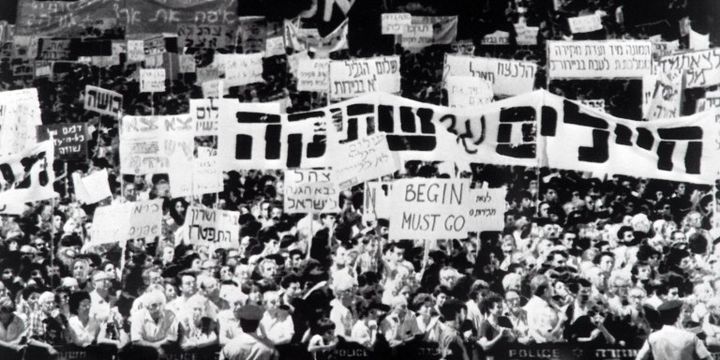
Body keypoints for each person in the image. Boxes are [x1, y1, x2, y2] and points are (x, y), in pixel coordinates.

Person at [635, 300, 712, 360]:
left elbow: (640, 358)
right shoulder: (691, 337)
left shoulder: (652, 338)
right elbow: (707, 358)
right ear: (679, 316)